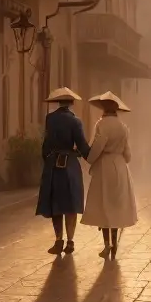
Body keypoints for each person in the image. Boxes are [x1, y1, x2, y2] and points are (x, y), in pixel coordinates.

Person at [82, 91, 138, 259]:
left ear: (104, 109)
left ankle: (107, 245)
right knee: (116, 206)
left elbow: (97, 147)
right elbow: (128, 154)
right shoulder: (123, 127)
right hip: (120, 166)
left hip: (105, 167)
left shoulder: (102, 124)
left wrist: (89, 158)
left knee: (103, 206)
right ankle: (115, 243)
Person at [36, 87, 90, 255]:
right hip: (70, 165)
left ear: (58, 102)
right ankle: (71, 241)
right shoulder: (75, 122)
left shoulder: (50, 119)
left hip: (53, 164)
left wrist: (47, 159)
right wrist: (89, 156)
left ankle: (59, 240)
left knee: (56, 204)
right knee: (71, 204)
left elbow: (46, 144)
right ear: (72, 103)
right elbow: (81, 145)